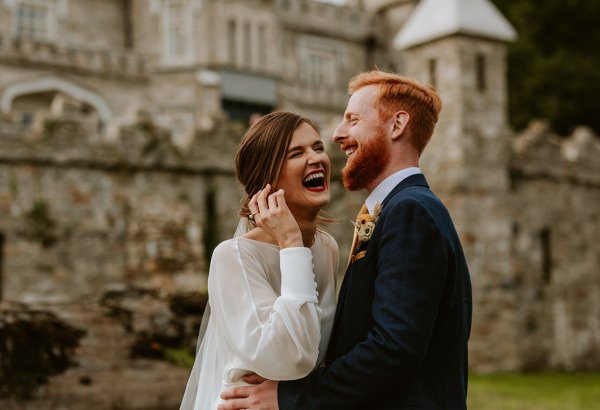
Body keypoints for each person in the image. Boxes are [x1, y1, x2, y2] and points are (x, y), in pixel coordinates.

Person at [218, 71, 473, 409]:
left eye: (352, 120)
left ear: (397, 125)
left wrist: (292, 398)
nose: (338, 135)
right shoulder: (395, 210)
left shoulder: (410, 211)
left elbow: (393, 347)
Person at [179, 111, 339, 410]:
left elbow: (322, 355)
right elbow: (292, 356)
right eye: (296, 153)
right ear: (267, 179)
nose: (316, 158)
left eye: (318, 148)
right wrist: (291, 243)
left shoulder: (326, 247)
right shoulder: (234, 257)